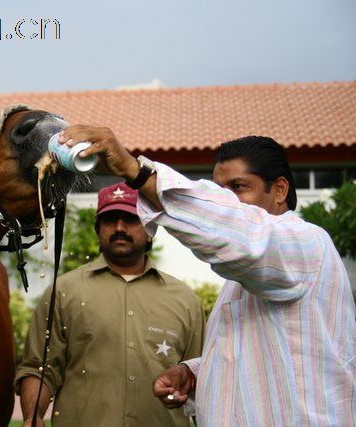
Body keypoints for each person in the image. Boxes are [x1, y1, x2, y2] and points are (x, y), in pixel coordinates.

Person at [56, 129, 356, 426]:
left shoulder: (305, 243)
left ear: (279, 190)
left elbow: (234, 228)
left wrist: (135, 170)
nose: (225, 201)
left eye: (238, 187)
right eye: (218, 190)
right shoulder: (246, 277)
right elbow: (254, 359)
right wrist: (194, 374)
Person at [15, 182, 205, 426]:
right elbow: (39, 369)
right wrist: (33, 416)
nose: (119, 228)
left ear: (150, 231)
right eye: (110, 220)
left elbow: (201, 378)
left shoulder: (185, 300)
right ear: (98, 230)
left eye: (131, 219)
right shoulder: (64, 291)